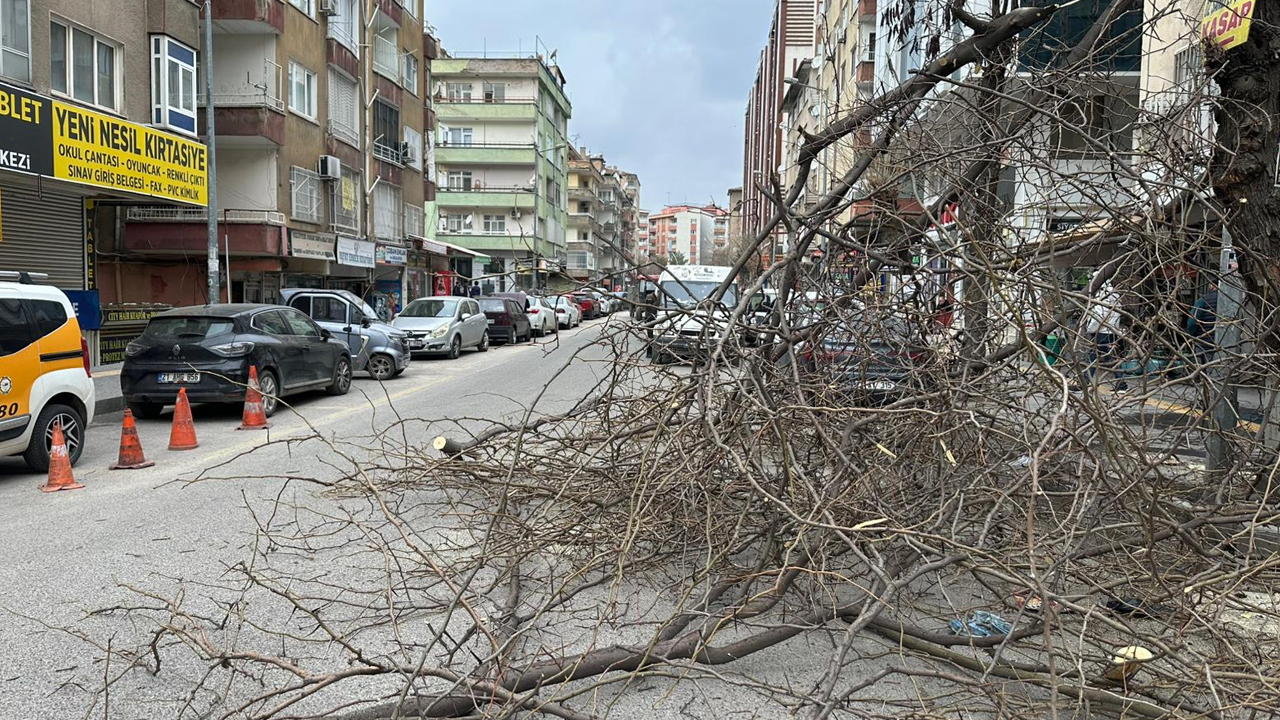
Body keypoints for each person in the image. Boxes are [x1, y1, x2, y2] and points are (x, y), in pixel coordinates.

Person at [1078, 280, 1129, 393]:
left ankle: (1084, 383)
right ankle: (1122, 385)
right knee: (1111, 359)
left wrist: (1090, 329)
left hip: (1100, 334)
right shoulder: (1116, 297)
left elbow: (1098, 318)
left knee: (1092, 359)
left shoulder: (1102, 297)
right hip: (1112, 332)